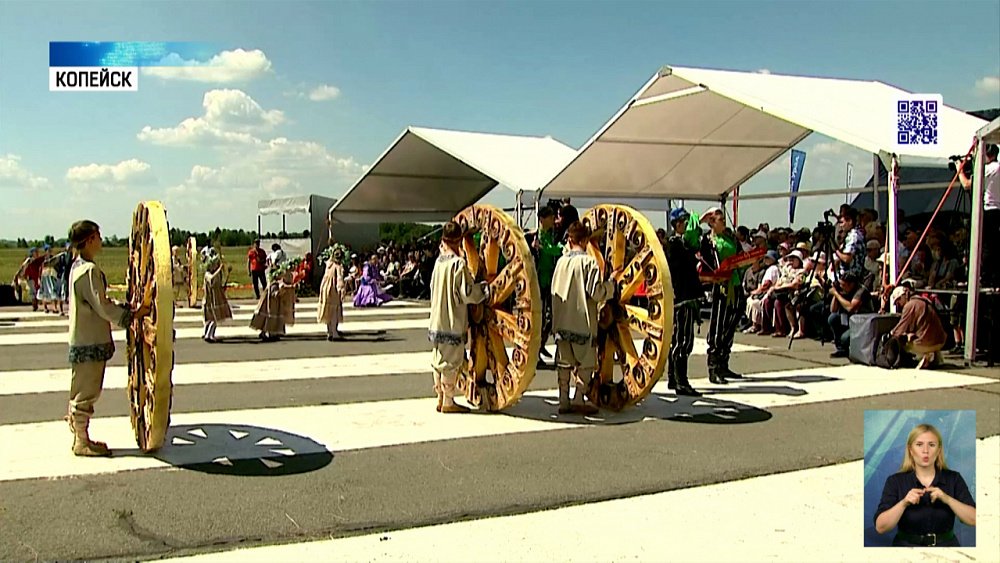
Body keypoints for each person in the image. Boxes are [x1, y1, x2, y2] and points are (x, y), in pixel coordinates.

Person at [65, 220, 150, 456]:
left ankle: (80, 435)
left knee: (82, 388)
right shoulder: (89, 271)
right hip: (89, 341)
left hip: (82, 338)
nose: (101, 241)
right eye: (99, 236)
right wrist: (132, 314)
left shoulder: (77, 267)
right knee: (87, 391)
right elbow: (102, 306)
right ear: (90, 239)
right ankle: (81, 441)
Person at [552, 221, 618, 414]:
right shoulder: (589, 263)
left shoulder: (560, 262)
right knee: (586, 364)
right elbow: (595, 293)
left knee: (564, 363)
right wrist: (611, 285)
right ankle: (579, 397)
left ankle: (563, 400)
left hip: (562, 321)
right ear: (585, 240)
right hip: (582, 323)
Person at [874, 423, 976, 546]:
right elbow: (880, 527)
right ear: (910, 450)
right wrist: (904, 503)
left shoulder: (954, 479)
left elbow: (974, 519)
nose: (925, 451)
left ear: (939, 450)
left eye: (931, 445)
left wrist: (947, 499)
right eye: (919, 444)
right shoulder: (895, 481)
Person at [428, 222, 490, 414]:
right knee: (451, 361)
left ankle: (440, 397)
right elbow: (467, 293)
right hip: (452, 320)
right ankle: (448, 401)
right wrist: (483, 290)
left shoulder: (438, 262)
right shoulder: (458, 264)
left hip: (437, 319)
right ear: (458, 240)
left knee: (438, 358)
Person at [700, 207, 746, 384]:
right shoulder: (709, 240)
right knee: (718, 325)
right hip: (720, 285)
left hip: (735, 282)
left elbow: (740, 255)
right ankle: (714, 367)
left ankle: (724, 362)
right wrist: (704, 218)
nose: (724, 224)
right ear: (712, 223)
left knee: (731, 323)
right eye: (720, 220)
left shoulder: (730, 238)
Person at [664, 208, 703, 396]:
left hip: (685, 296)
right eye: (685, 222)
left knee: (680, 340)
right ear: (677, 224)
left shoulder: (682, 244)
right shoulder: (674, 244)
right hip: (682, 298)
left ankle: (674, 378)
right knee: (683, 341)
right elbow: (682, 264)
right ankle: (680, 380)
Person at [957, 143, 999, 287]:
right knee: (994, 245)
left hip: (989, 210)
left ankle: (985, 277)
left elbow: (967, 185)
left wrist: (959, 169)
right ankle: (992, 277)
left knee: (986, 246)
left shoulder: (988, 168)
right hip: (997, 210)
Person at [531, 205, 562, 366]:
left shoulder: (551, 235)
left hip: (550, 280)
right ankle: (537, 350)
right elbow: (553, 251)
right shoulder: (536, 237)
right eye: (550, 217)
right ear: (542, 219)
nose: (553, 220)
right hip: (540, 281)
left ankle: (540, 345)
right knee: (541, 318)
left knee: (550, 318)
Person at [890, 285, 947, 369]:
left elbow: (899, 330)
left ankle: (923, 356)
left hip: (926, 343)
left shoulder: (909, 306)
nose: (898, 304)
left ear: (903, 296)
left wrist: (891, 333)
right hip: (941, 341)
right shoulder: (924, 301)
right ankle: (935, 357)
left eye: (898, 300)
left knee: (903, 343)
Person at [827, 271, 874, 358]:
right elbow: (833, 310)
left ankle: (849, 348)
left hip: (862, 322)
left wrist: (837, 294)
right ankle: (841, 349)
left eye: (843, 285)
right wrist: (836, 294)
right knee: (833, 318)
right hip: (850, 319)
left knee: (844, 338)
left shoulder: (861, 291)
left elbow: (851, 308)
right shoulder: (844, 290)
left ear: (851, 284)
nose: (841, 287)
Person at [250, 264, 297, 342]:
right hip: (273, 306)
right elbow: (274, 294)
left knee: (269, 319)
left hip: (272, 305)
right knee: (272, 320)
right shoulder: (274, 284)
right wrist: (281, 291)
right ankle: (271, 333)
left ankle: (266, 333)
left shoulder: (272, 283)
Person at [202, 252, 232, 343]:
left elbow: (220, 286)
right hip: (209, 299)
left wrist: (227, 274)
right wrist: (219, 269)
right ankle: (208, 334)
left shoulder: (217, 275)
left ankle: (209, 334)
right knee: (213, 318)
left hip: (216, 298)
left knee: (214, 317)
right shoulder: (207, 274)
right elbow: (211, 279)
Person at [318, 247, 346, 341]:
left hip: (325, 288)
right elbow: (339, 279)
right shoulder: (338, 267)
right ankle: (334, 333)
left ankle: (329, 332)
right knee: (334, 311)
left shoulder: (329, 264)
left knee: (328, 310)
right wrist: (341, 290)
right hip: (333, 289)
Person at [835, 206, 866, 280]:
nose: (841, 225)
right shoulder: (855, 234)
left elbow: (847, 258)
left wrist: (836, 251)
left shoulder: (853, 236)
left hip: (851, 277)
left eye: (842, 222)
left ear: (850, 221)